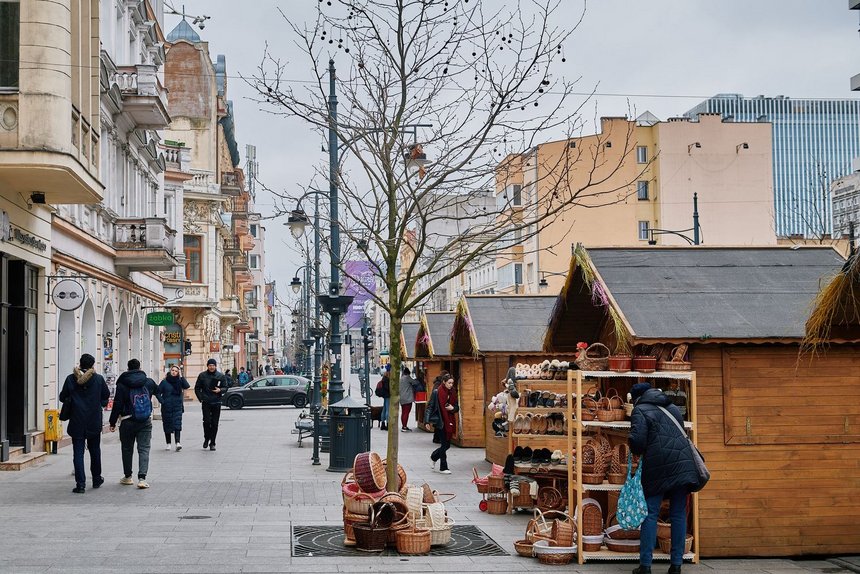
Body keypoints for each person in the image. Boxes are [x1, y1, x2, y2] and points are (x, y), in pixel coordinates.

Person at [628, 382, 699, 574]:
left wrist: (631, 442)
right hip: (683, 464)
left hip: (657, 466)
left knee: (650, 513)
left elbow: (638, 442)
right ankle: (676, 565)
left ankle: (646, 566)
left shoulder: (640, 410)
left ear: (636, 398)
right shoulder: (673, 407)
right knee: (678, 514)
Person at [59, 354, 110, 494]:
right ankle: (96, 478)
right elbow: (106, 395)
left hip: (77, 420)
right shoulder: (98, 379)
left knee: (78, 453)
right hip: (93, 420)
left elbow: (62, 397)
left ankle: (80, 484)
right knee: (95, 451)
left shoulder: (70, 378)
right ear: (93, 365)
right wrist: (99, 403)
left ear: (80, 364)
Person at [109, 358, 159, 489]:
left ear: (128, 368)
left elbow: (117, 404)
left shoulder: (122, 384)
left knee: (127, 449)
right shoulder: (148, 382)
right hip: (145, 420)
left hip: (127, 420)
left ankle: (128, 477)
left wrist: (112, 422)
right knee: (144, 449)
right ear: (140, 367)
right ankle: (142, 478)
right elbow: (158, 391)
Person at [194, 358, 228, 450]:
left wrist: (220, 390)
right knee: (207, 421)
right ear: (207, 366)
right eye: (210, 365)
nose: (211, 367)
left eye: (213, 365)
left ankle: (212, 442)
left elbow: (225, 387)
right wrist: (201, 398)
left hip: (216, 402)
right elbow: (197, 388)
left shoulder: (220, 376)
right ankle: (206, 438)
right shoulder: (202, 375)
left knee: (214, 423)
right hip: (206, 402)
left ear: (215, 366)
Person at [429, 375, 458, 474]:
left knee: (447, 445)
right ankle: (443, 467)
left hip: (450, 421)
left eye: (452, 383)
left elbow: (457, 407)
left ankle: (434, 456)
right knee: (444, 444)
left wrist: (452, 408)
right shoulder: (437, 392)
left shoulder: (453, 392)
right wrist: (427, 421)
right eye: (449, 383)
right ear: (444, 382)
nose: (451, 385)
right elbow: (430, 406)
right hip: (440, 422)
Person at [157, 364, 190, 451]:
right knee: (167, 425)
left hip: (177, 406)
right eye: (172, 370)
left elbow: (187, 386)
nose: (174, 372)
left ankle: (178, 443)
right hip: (166, 407)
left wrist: (182, 376)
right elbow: (157, 392)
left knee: (177, 424)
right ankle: (168, 443)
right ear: (170, 371)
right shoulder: (164, 382)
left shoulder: (180, 381)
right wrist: (162, 401)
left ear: (178, 373)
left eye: (176, 371)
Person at [399, 366, 418, 432]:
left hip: (402, 398)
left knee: (403, 412)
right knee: (406, 413)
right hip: (407, 398)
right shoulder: (407, 377)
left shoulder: (401, 378)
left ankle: (403, 425)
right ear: (408, 373)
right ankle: (404, 427)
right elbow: (415, 382)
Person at [374, 366, 391, 430]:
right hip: (387, 396)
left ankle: (383, 423)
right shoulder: (387, 379)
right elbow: (387, 388)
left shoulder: (384, 377)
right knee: (387, 410)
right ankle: (387, 424)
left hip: (384, 395)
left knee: (384, 409)